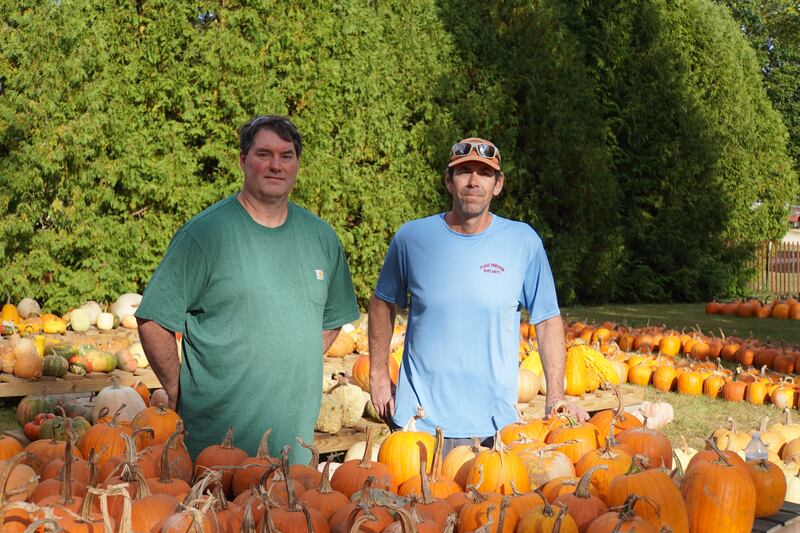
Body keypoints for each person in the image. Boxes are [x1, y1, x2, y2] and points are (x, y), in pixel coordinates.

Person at [135, 115, 360, 463]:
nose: (276, 165)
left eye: (286, 156)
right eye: (264, 154)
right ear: (242, 160)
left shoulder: (321, 238)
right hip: (217, 450)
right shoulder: (205, 235)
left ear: (297, 164)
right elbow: (153, 319)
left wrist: (293, 362)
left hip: (292, 449)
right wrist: (178, 389)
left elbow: (333, 318)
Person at [368, 137, 588, 453]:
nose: (474, 181)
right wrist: (377, 374)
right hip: (418, 426)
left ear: (497, 184)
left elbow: (547, 319)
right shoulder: (412, 238)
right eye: (464, 172)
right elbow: (382, 302)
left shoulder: (522, 242)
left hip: (494, 430)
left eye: (484, 173)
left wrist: (555, 396)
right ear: (448, 180)